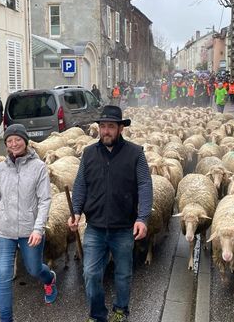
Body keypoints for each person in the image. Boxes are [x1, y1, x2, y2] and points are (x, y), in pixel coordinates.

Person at [68, 105, 152, 322]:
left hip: (123, 227)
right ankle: (97, 314)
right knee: (91, 274)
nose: (106, 131)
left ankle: (121, 310)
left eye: (111, 127)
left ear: (120, 128)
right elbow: (80, 185)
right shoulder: (88, 154)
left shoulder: (135, 153)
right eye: (102, 126)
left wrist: (142, 218)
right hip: (95, 227)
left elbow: (144, 185)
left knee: (123, 275)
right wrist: (76, 211)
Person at [0, 124, 57, 321]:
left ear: (25, 141)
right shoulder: (1, 168)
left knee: (34, 269)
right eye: (9, 140)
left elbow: (45, 200)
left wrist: (38, 229)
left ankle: (50, 278)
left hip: (30, 231)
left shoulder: (39, 167)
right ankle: (6, 318)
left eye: (17, 139)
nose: (13, 144)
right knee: (3, 277)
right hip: (4, 230)